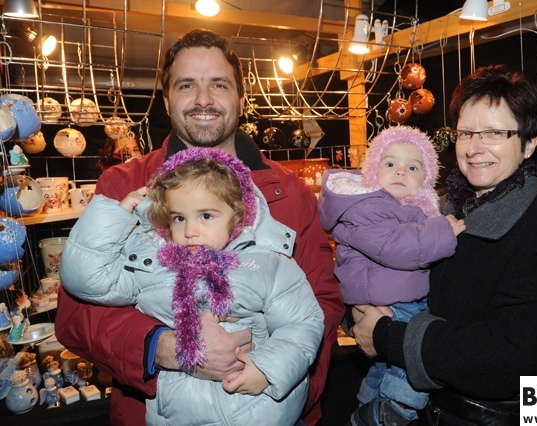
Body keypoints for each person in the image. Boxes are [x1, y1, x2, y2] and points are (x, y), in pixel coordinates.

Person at [54, 28, 344, 426]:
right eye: (187, 85)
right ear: (167, 101)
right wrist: (168, 347)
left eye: (219, 85)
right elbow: (76, 314)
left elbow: (322, 304)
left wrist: (287, 389)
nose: (203, 99)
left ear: (241, 100)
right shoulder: (125, 187)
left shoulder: (289, 191)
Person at [349, 65, 537, 425]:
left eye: (494, 133)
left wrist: (385, 335)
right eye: (465, 133)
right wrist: (357, 312)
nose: (474, 148)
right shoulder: (428, 207)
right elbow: (369, 263)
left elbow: (507, 357)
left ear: (529, 144)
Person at [60, 148, 324, 425]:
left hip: (263, 412)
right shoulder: (152, 264)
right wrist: (117, 214)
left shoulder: (267, 263)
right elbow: (84, 280)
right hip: (179, 416)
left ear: (237, 214)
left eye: (206, 216)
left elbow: (303, 322)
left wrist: (267, 370)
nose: (189, 231)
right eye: (179, 218)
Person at [318, 126, 465, 426]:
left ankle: (368, 406)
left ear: (426, 179)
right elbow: (396, 248)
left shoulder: (403, 207)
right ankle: (396, 408)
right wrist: (443, 230)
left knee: (387, 363)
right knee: (414, 359)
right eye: (390, 164)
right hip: (390, 298)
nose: (400, 172)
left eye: (413, 167)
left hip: (388, 294)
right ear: (373, 170)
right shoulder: (370, 205)